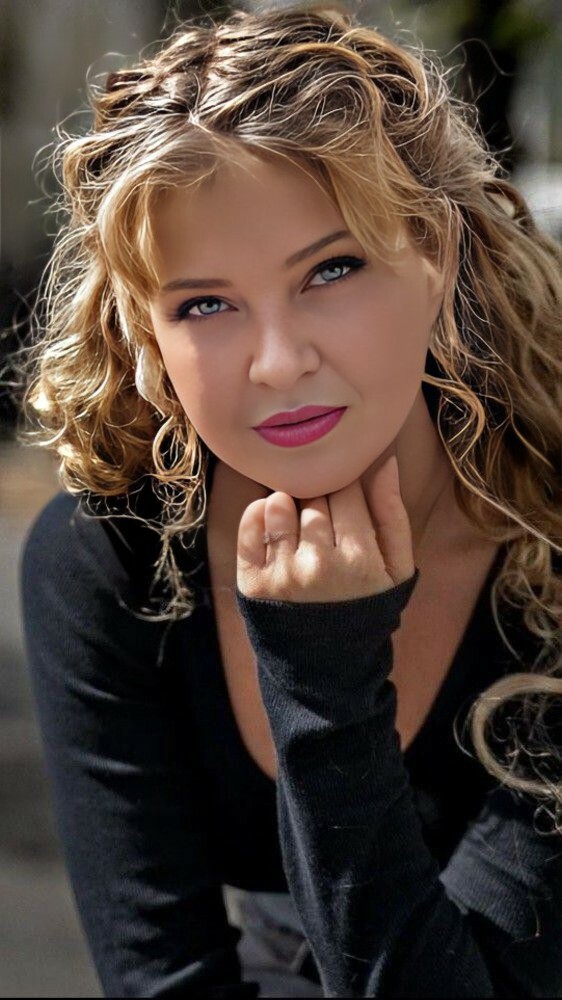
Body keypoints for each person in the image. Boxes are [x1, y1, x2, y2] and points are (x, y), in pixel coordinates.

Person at [18, 3, 562, 996]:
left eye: (331, 270)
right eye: (205, 304)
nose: (277, 362)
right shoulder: (108, 560)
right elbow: (163, 979)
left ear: (434, 257)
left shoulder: (550, 548)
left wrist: (322, 674)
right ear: (147, 338)